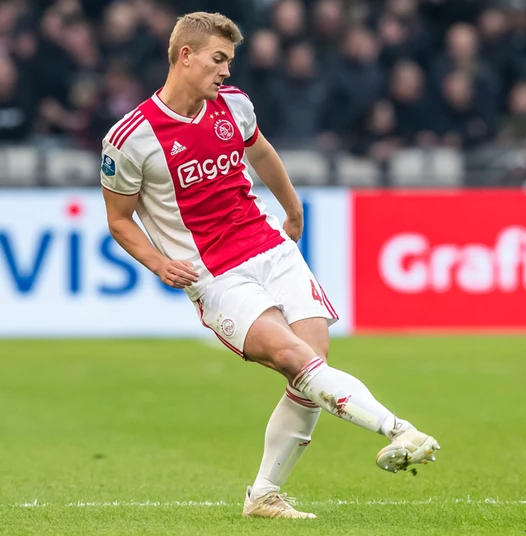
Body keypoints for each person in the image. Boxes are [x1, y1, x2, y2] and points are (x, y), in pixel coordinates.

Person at [99, 12, 440, 520]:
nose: (226, 71)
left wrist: (293, 208)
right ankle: (399, 430)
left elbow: (261, 153)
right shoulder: (131, 138)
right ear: (185, 56)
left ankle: (263, 496)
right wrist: (158, 262)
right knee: (293, 358)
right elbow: (119, 220)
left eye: (229, 61)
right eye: (218, 59)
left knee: (313, 362)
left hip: (271, 249)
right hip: (217, 275)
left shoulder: (234, 105)